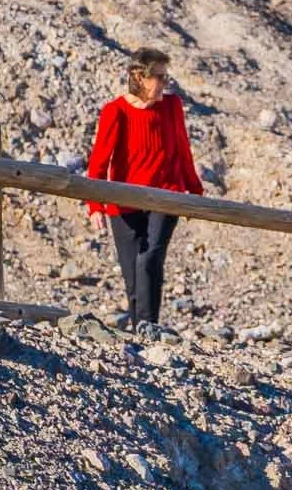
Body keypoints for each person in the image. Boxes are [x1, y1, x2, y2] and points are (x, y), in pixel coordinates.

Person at [85, 47, 204, 338]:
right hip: (123, 201)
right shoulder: (116, 111)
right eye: (159, 78)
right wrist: (95, 205)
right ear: (139, 77)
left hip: (167, 194)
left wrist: (194, 191)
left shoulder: (172, 106)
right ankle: (140, 331)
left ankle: (149, 324)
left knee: (150, 257)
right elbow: (99, 161)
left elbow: (182, 150)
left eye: (166, 77)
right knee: (130, 270)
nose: (165, 84)